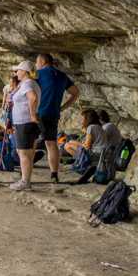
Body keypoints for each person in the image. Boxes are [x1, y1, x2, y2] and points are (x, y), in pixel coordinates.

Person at [34, 53, 80, 184]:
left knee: (30, 142)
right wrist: (63, 107)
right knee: (51, 143)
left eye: (37, 62)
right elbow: (76, 92)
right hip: (53, 114)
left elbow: (30, 92)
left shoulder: (39, 74)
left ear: (42, 61)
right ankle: (54, 174)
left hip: (38, 113)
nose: (36, 65)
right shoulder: (62, 76)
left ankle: (26, 174)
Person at [8, 61, 41, 191]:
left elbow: (32, 98)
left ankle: (25, 181)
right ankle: (26, 179)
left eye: (18, 71)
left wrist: (32, 114)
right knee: (29, 152)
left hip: (25, 122)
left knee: (23, 152)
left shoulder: (28, 83)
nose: (16, 73)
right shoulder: (28, 83)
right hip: (26, 122)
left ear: (25, 72)